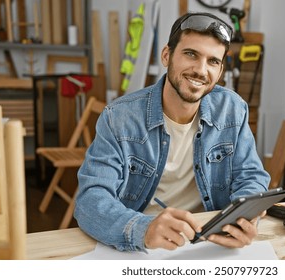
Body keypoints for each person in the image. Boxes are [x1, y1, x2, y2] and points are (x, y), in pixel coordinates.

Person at [74, 12, 270, 252]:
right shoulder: (119, 117)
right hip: (143, 245)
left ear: (220, 72)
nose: (201, 70)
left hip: (210, 244)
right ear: (167, 56)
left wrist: (245, 218)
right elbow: (91, 201)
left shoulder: (234, 110)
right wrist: (143, 229)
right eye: (191, 54)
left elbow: (251, 176)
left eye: (213, 61)